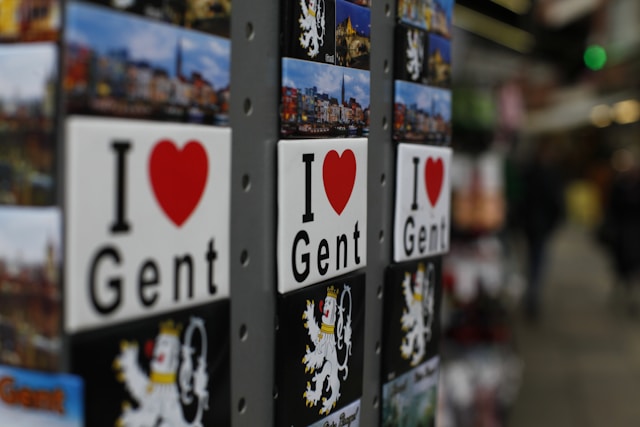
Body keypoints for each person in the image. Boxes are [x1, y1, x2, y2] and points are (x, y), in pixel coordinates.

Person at [518, 141, 565, 320]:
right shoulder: (546, 173)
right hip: (538, 224)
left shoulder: (532, 171)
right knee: (537, 259)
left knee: (535, 258)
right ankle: (532, 293)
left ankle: (532, 293)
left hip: (536, 224)